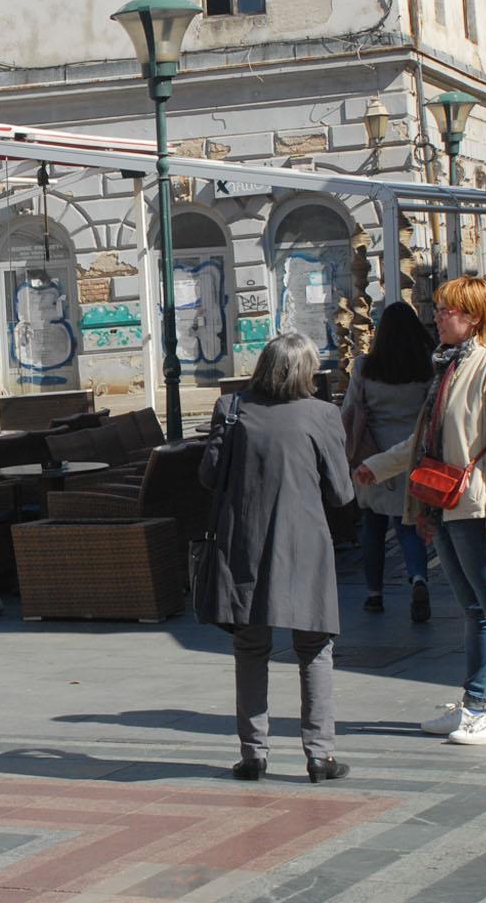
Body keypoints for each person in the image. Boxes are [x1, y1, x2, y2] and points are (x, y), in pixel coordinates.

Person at [356, 276, 486, 746]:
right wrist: (377, 466)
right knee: (473, 609)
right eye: (438, 309)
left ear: (474, 316)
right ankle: (476, 705)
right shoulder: (451, 365)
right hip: (447, 505)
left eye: (448, 310)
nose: (438, 316)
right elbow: (425, 440)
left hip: (476, 507)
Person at [197, 333, 354, 783]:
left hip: (244, 542)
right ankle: (320, 756)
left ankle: (253, 754)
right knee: (315, 650)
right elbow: (341, 493)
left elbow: (209, 475)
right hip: (305, 545)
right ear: (304, 372)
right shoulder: (323, 414)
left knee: (250, 648)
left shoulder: (232, 410)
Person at [340, 302, 436, 620]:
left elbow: (350, 411)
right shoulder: (426, 367)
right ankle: (419, 578)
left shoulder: (365, 367)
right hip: (412, 454)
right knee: (409, 522)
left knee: (372, 525)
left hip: (373, 455)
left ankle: (374, 593)